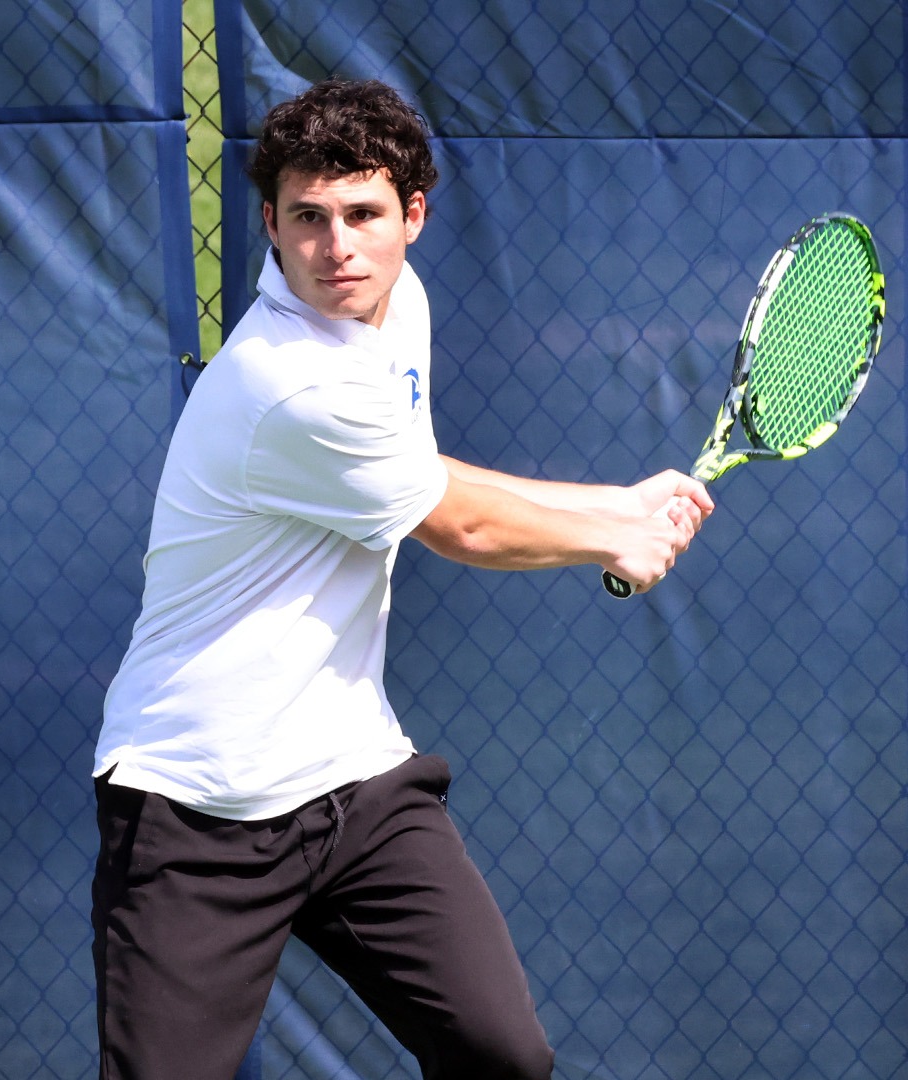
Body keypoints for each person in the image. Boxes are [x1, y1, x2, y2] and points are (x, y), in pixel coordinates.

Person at [91, 77, 712, 1079]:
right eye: (309, 218)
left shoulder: (395, 311)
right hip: (198, 807)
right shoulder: (283, 379)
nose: (337, 245)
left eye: (364, 215)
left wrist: (614, 504)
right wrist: (610, 544)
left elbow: (418, 473)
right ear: (272, 223)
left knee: (504, 1058)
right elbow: (456, 525)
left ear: (412, 217)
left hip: (354, 788)